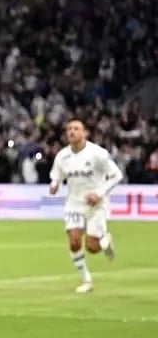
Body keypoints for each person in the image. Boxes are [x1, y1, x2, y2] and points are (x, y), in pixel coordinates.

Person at [48, 118, 122, 293]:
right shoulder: (62, 156)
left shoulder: (98, 153)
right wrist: (54, 184)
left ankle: (105, 240)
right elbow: (56, 175)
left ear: (84, 133)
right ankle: (86, 280)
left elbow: (117, 175)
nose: (72, 132)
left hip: (96, 205)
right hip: (74, 203)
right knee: (74, 241)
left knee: (92, 247)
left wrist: (99, 193)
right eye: (69, 129)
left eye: (76, 129)